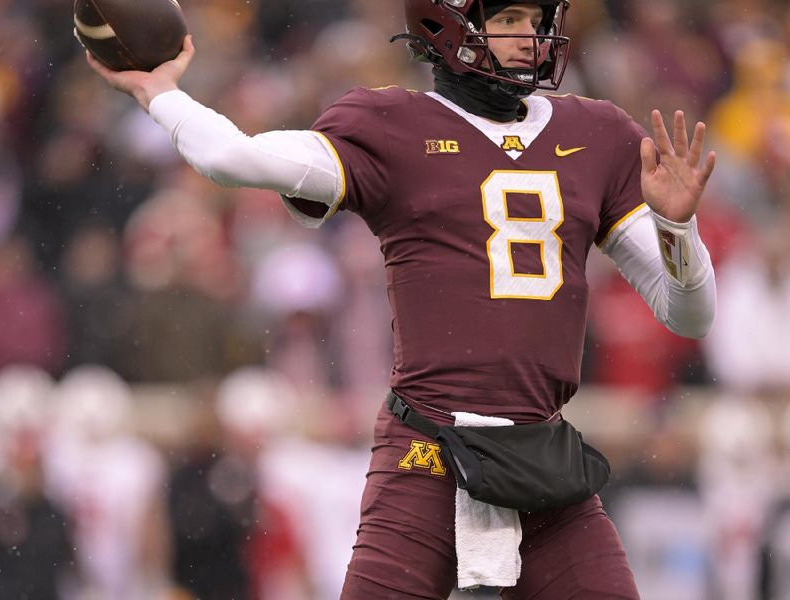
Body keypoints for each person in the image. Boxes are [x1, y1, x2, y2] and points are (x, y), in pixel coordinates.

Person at [85, 1, 717, 597]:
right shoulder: (392, 125)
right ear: (447, 22)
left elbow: (690, 314)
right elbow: (233, 158)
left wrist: (678, 229)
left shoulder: (600, 132)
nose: (530, 34)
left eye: (538, 16)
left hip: (541, 452)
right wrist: (158, 91)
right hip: (428, 450)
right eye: (508, 17)